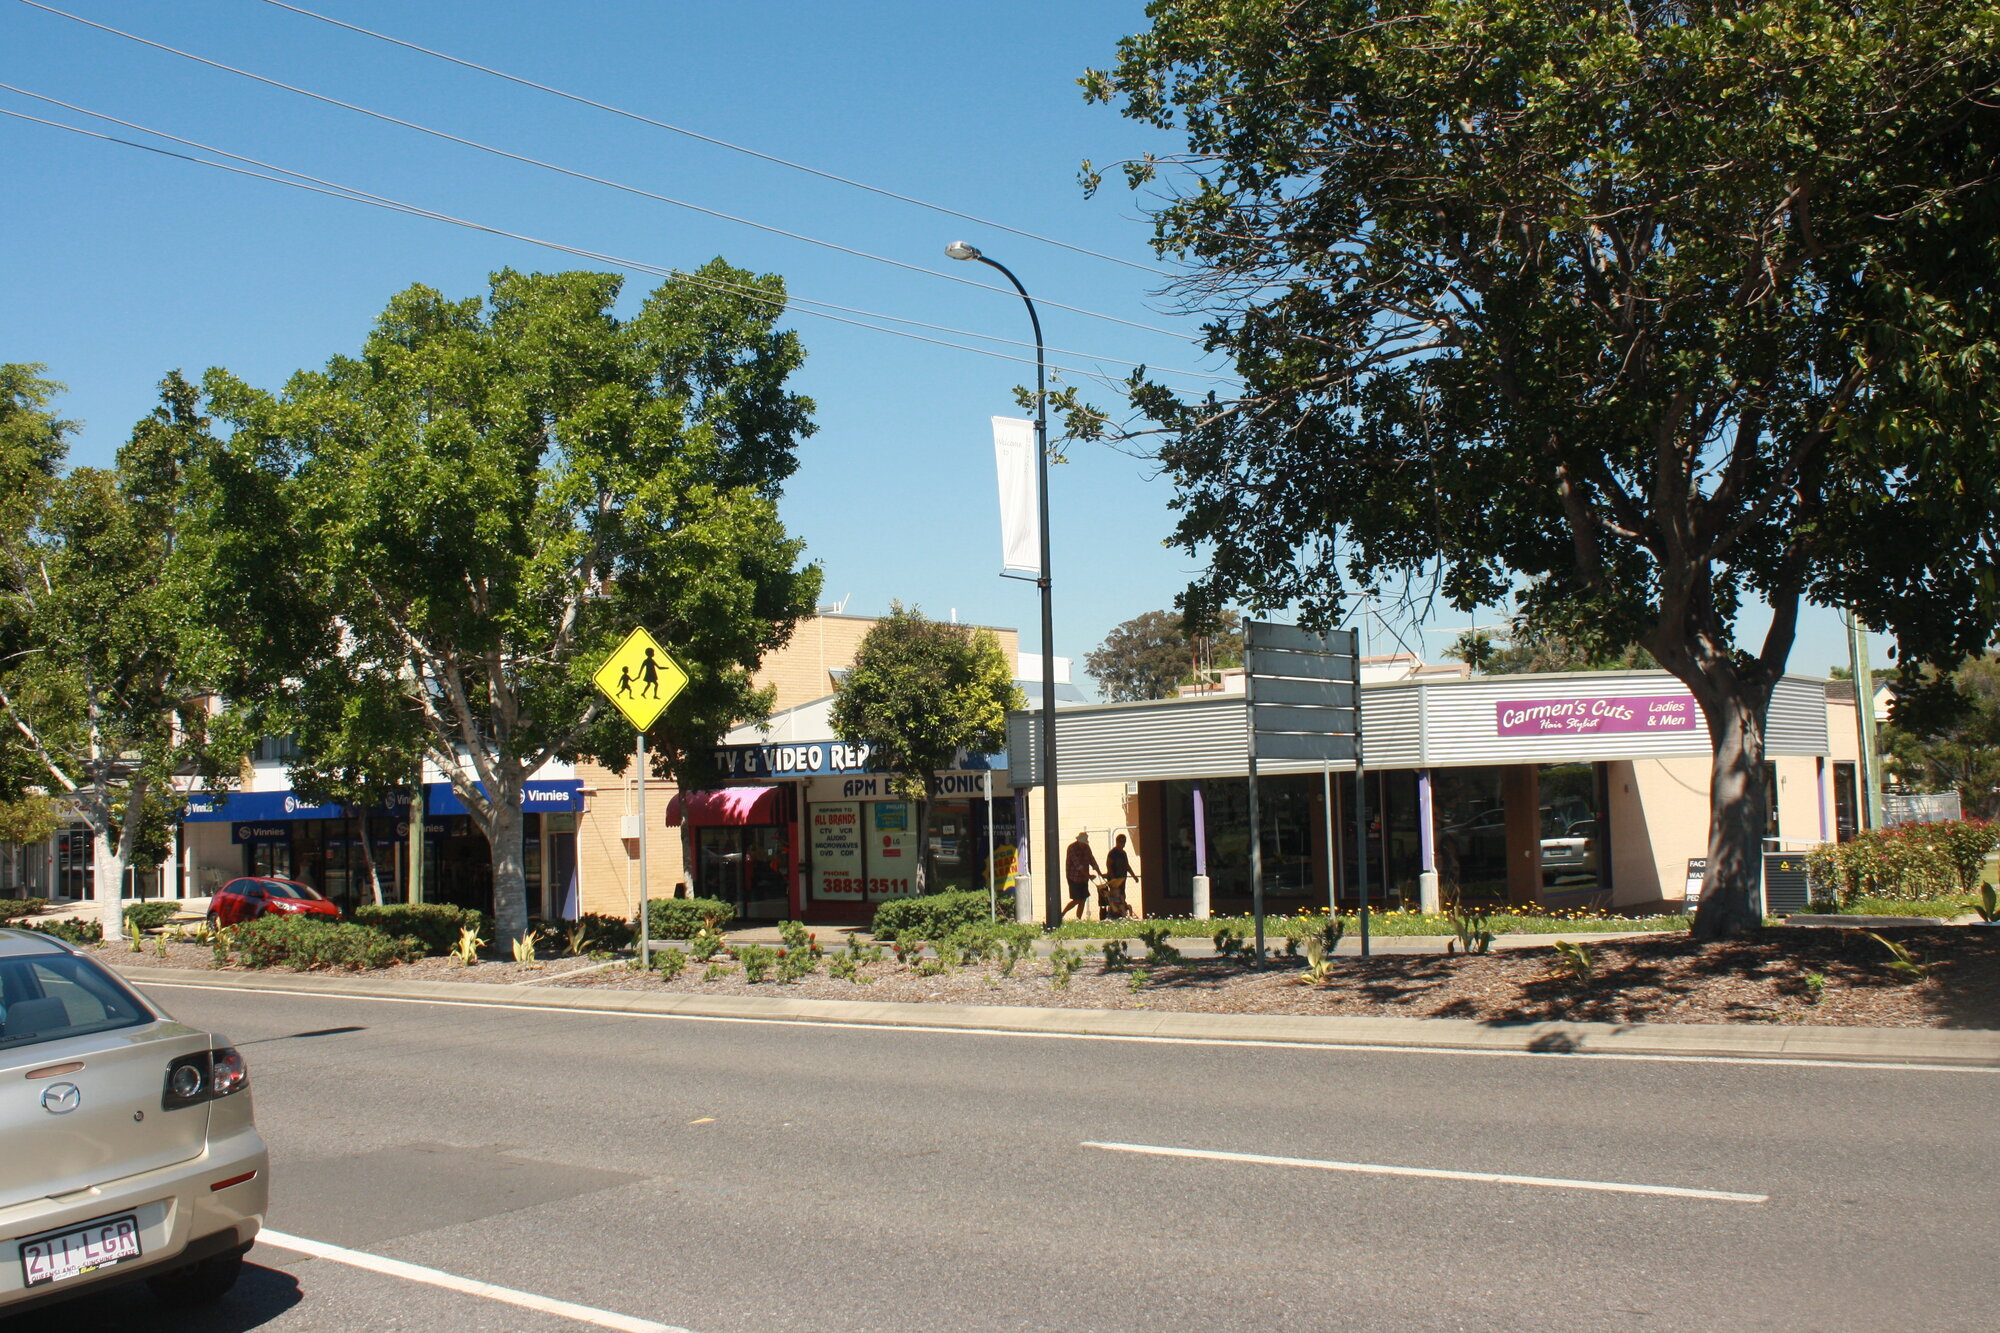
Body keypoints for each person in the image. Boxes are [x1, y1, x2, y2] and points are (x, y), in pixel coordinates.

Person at [1063, 831, 1100, 921]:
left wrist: (1099, 872)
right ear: (1079, 841)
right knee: (1077, 899)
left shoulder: (1087, 847)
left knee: (1083, 899)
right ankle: (1062, 914)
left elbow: (1092, 860)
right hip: (1073, 877)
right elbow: (1078, 866)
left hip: (1084, 878)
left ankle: (1078, 919)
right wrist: (1089, 876)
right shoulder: (1072, 848)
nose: (1084, 845)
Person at [1102, 833, 1137, 919]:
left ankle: (1122, 913)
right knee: (1115, 896)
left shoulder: (1123, 853)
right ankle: (1114, 914)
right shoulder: (1112, 853)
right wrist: (1113, 877)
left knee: (1122, 896)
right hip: (1114, 880)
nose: (1122, 843)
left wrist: (1134, 876)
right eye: (1121, 841)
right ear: (1117, 841)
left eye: (1124, 842)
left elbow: (1126, 865)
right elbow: (1109, 865)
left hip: (1122, 879)